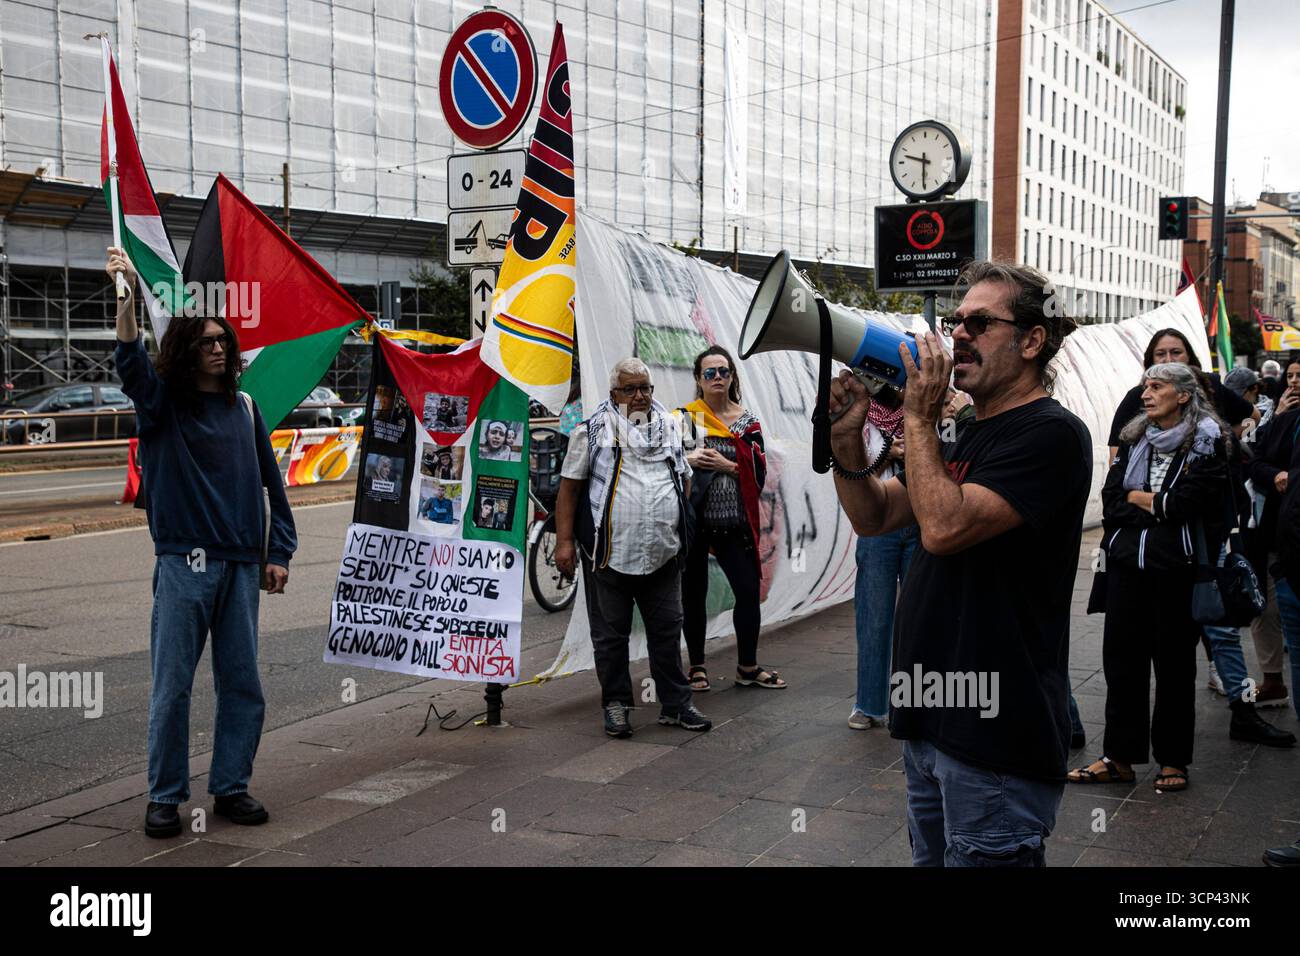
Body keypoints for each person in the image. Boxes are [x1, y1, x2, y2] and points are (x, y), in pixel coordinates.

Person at [830, 260, 1090, 867]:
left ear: (1032, 340)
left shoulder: (1051, 433)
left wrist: (918, 417)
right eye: (956, 320)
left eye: (980, 322)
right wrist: (847, 442)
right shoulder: (968, 431)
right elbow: (875, 516)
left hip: (994, 735)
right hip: (931, 716)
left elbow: (944, 528)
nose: (959, 334)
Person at [106, 246, 296, 839]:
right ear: (187, 348)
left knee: (243, 683)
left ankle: (232, 786)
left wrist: (278, 551)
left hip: (241, 568)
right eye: (208, 340)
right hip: (183, 565)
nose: (219, 347)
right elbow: (131, 362)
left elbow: (273, 484)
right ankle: (165, 796)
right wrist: (125, 294)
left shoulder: (245, 408)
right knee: (173, 687)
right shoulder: (163, 408)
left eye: (224, 339)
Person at [1071, 363, 1231, 795]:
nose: (1146, 393)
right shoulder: (1135, 439)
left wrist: (1141, 500)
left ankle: (1173, 760)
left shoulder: (1207, 445)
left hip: (1176, 573)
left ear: (1182, 395)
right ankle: (1119, 757)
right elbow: (1111, 502)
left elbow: (1186, 505)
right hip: (1126, 569)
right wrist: (1150, 504)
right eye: (1145, 386)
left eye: (1156, 387)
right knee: (1122, 664)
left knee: (1175, 668)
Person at [554, 358, 709, 738]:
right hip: (609, 555)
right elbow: (569, 490)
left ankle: (676, 705)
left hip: (662, 553)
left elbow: (684, 479)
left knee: (668, 631)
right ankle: (617, 706)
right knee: (610, 637)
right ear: (614, 394)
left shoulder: (673, 426)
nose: (639, 396)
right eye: (630, 389)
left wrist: (666, 519)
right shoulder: (590, 432)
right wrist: (564, 542)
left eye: (645, 388)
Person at [676, 346, 780, 693]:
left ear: (732, 376)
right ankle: (697, 667)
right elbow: (665, 463)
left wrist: (729, 466)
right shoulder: (684, 419)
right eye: (710, 373)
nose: (718, 377)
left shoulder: (747, 422)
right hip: (694, 522)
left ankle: (747, 667)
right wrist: (688, 459)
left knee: (748, 592)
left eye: (723, 371)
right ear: (698, 380)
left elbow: (760, 472)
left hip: (733, 522)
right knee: (693, 595)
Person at [849, 383, 915, 729]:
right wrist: (888, 455)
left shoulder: (924, 413)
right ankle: (869, 703)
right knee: (874, 616)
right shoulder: (861, 419)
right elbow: (857, 478)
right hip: (878, 529)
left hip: (919, 520)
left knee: (918, 615)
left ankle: (918, 700)